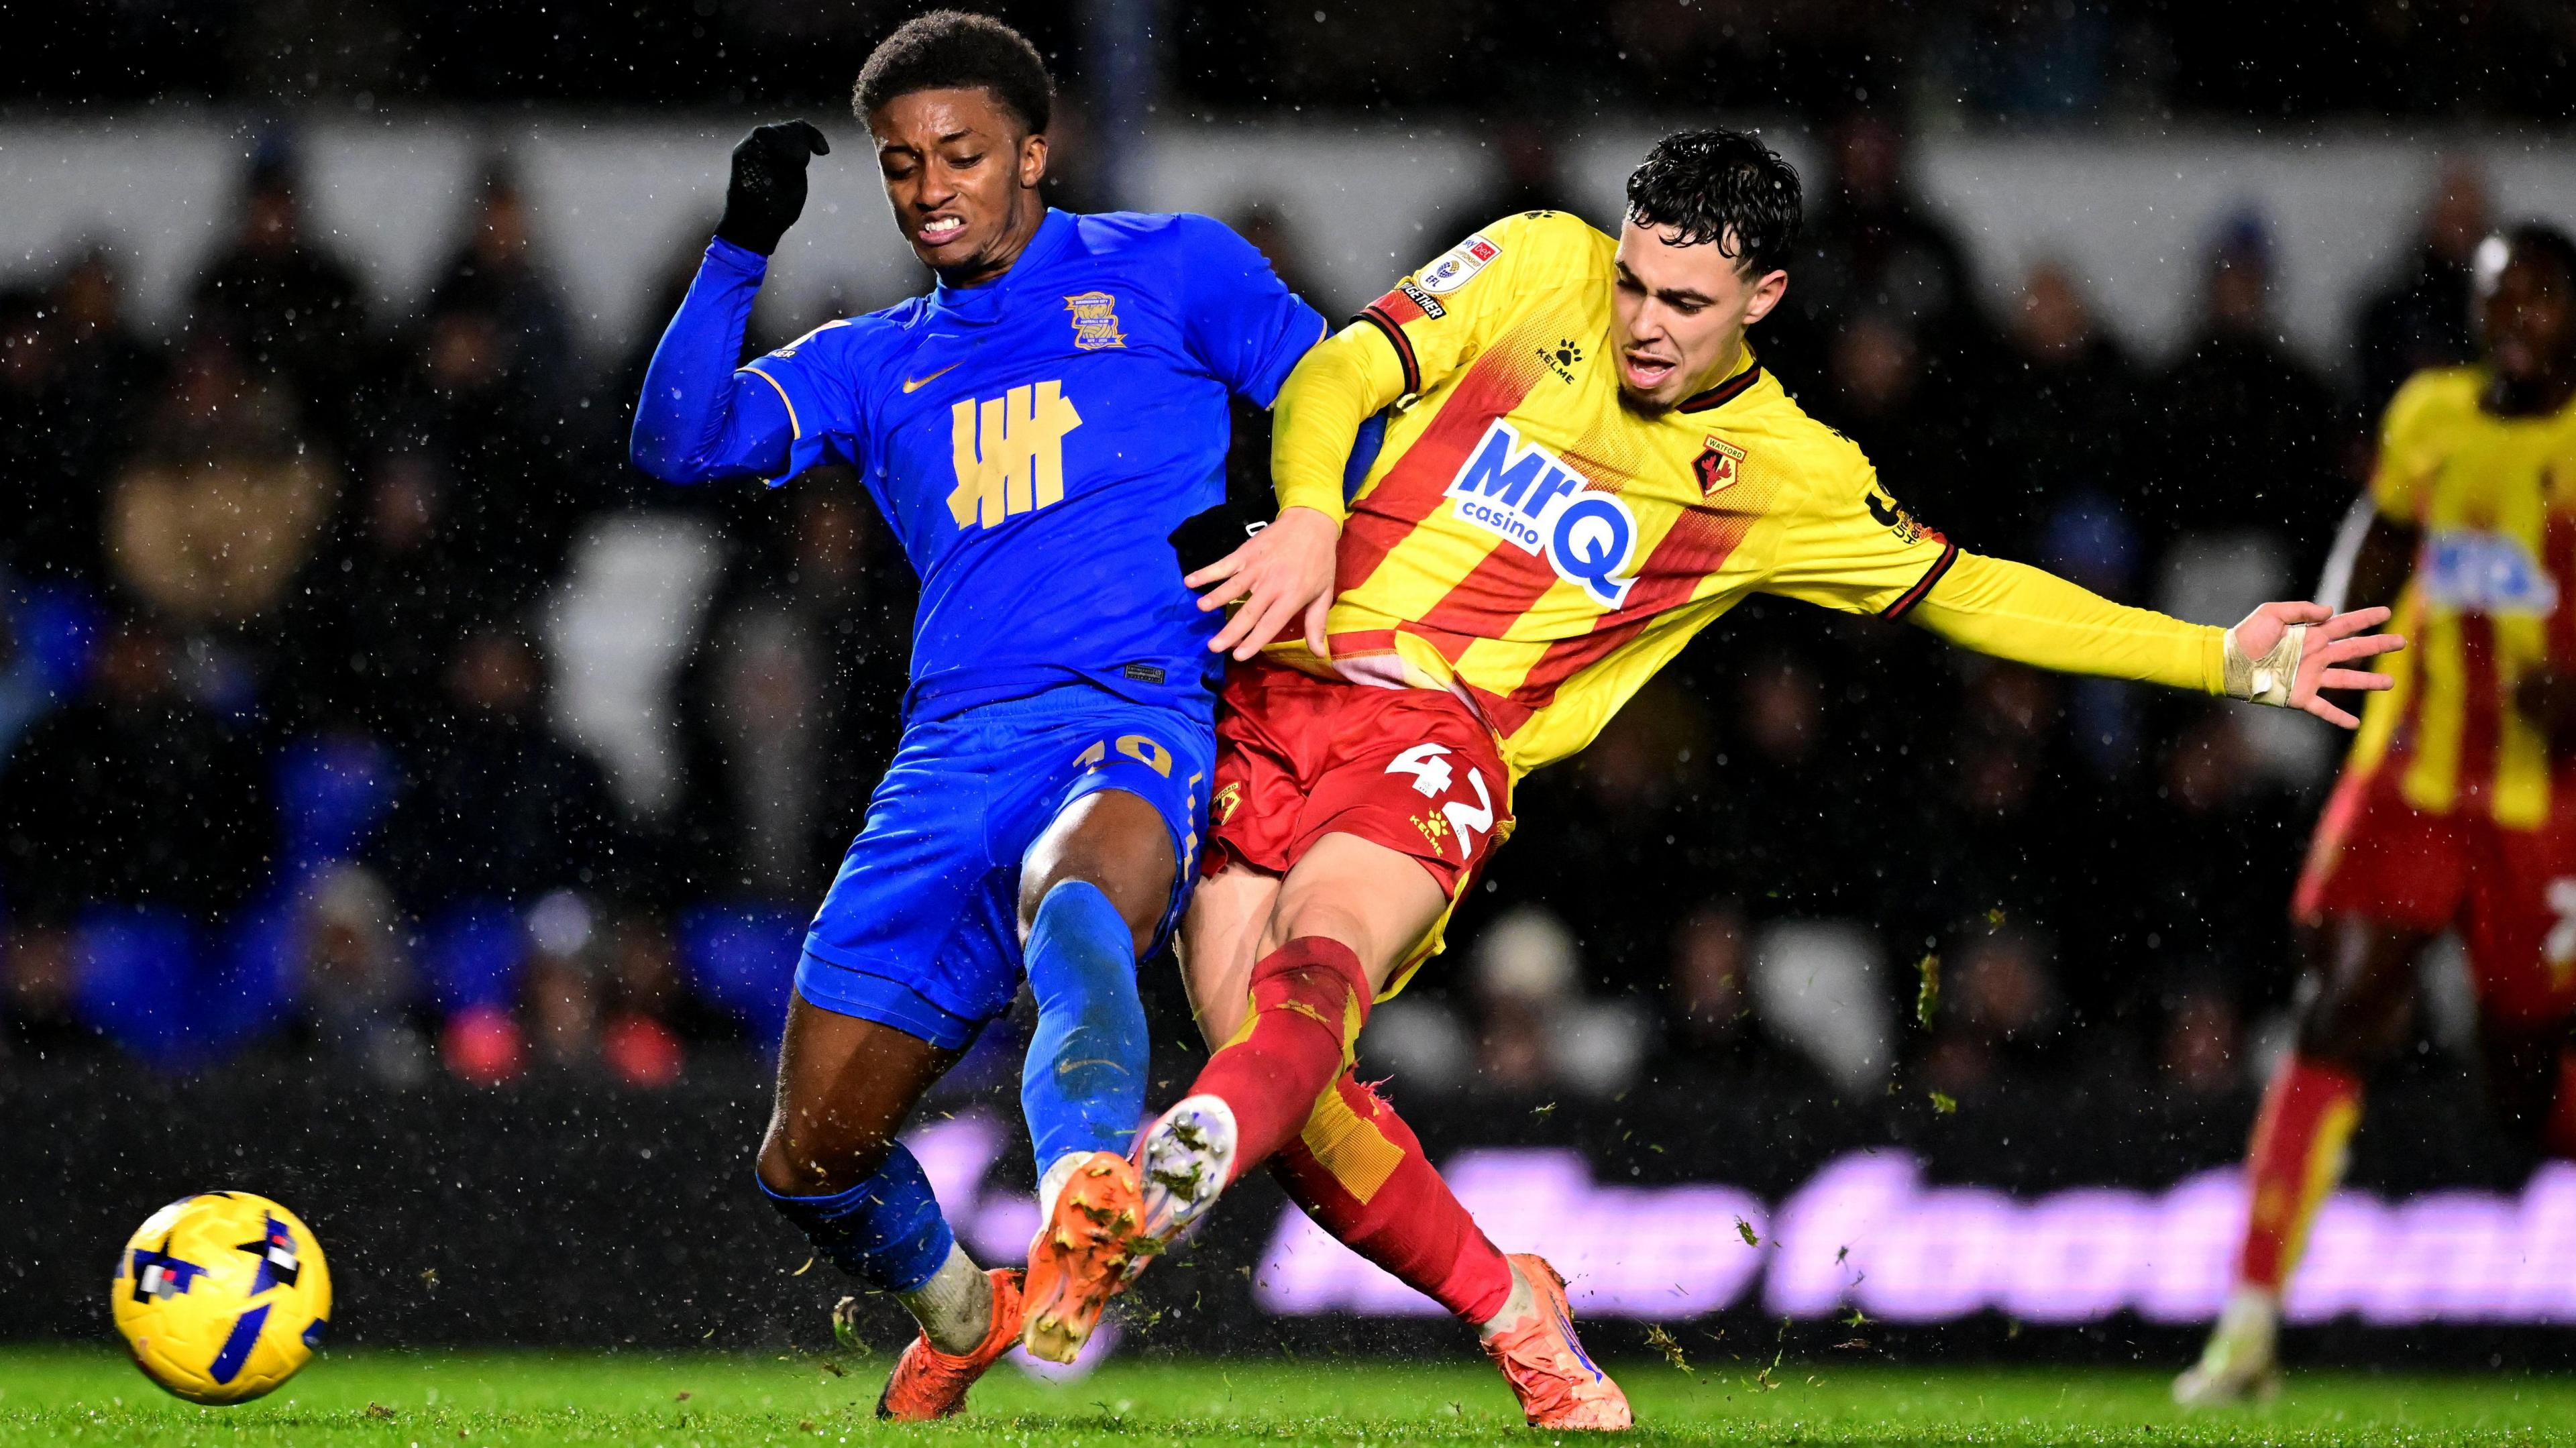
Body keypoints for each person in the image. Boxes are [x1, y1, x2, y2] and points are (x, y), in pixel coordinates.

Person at [1019, 129, 2404, 1430]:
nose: (1642, 322)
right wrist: (1313, 512)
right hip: (1275, 685)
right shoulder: (1537, 261)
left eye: (1686, 300)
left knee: (1310, 975)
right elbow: (1339, 375)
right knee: (1289, 1087)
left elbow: (1970, 593)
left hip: (1439, 743)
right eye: (1634, 282)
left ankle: (1167, 1178)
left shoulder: (1786, 477)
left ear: (1766, 295)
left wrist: (2224, 660)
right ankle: (1514, 1307)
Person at [625, 10, 1323, 1420]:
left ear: (1035, 151)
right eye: (898, 164)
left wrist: (1309, 521)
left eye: (960, 153)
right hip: (943, 762)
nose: (929, 186)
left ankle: (1083, 1193)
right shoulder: (874, 359)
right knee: (807, 1156)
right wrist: (736, 249)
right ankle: (963, 1309)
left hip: (1129, 715)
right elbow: (675, 439)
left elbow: (1352, 399)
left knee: (1079, 902)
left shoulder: (1174, 268)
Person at [2174, 224, 2576, 1406]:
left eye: (2547, 299)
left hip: (2543, 803)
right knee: (2339, 1003)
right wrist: (2337, 643)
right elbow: (2386, 538)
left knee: (2523, 1073)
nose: (2521, 320)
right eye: (2504, 298)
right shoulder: (2429, 415)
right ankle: (2247, 1327)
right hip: (2410, 778)